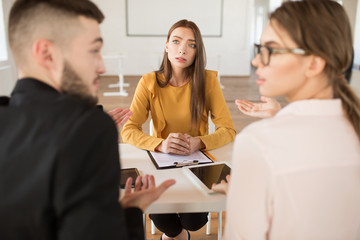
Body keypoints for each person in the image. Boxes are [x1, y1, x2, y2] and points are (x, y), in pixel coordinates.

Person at [0, 1, 175, 240]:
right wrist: (131, 214)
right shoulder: (89, 127)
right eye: (94, 50)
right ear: (46, 53)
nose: (102, 67)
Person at [213, 0, 360, 239]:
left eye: (270, 50)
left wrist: (241, 198)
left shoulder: (258, 142)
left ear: (313, 63)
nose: (255, 61)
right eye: (258, 48)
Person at [120, 19, 236, 240]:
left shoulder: (208, 82)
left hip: (198, 162)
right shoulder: (148, 82)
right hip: (160, 161)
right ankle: (176, 235)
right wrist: (160, 144)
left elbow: (228, 129)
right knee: (166, 221)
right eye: (176, 41)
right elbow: (129, 130)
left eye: (191, 45)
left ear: (196, 52)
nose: (182, 49)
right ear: (166, 46)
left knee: (194, 221)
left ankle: (181, 234)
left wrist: (199, 142)